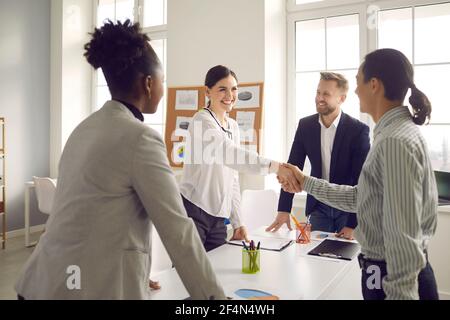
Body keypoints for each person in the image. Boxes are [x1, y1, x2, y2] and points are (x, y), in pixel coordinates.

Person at [15, 20, 226, 300]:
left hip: (41, 280)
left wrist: (130, 271)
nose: (163, 89)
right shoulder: (140, 138)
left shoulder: (84, 129)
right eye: (163, 81)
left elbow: (88, 216)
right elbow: (178, 230)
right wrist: (217, 301)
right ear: (149, 84)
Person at [280, 48, 439, 300]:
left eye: (357, 82)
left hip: (390, 277)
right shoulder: (395, 133)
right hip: (384, 270)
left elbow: (403, 240)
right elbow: (361, 197)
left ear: (373, 85)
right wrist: (306, 182)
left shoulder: (393, 141)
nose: (355, 91)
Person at [179, 65, 299, 252]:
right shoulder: (201, 121)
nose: (230, 95)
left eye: (234, 89)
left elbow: (232, 179)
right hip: (193, 211)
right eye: (222, 89)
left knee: (214, 274)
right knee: (185, 274)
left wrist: (237, 222)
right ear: (208, 91)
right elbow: (230, 154)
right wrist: (277, 167)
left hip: (218, 217)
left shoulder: (232, 126)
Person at [266, 72, 370, 239]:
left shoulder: (358, 130)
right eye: (318, 92)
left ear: (341, 99)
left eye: (326, 94)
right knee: (314, 258)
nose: (319, 98)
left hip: (347, 210)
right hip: (318, 207)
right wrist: (284, 209)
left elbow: (361, 181)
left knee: (344, 259)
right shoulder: (305, 125)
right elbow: (292, 167)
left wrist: (353, 224)